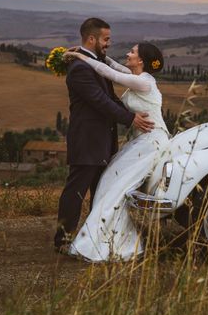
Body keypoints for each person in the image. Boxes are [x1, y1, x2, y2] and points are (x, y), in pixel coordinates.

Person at [54, 18, 154, 253]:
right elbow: (99, 102)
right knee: (76, 191)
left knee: (101, 190)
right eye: (105, 39)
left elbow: (110, 96)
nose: (109, 43)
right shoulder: (79, 69)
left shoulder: (93, 61)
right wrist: (130, 119)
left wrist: (132, 112)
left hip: (103, 139)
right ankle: (63, 239)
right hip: (88, 139)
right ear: (92, 39)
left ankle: (94, 236)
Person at [65, 41, 170, 262]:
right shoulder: (140, 77)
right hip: (141, 142)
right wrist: (97, 56)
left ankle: (102, 242)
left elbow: (108, 73)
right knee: (110, 184)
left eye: (132, 52)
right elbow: (113, 66)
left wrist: (81, 58)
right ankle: (109, 236)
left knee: (114, 186)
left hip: (150, 143)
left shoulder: (144, 83)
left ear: (140, 60)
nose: (128, 54)